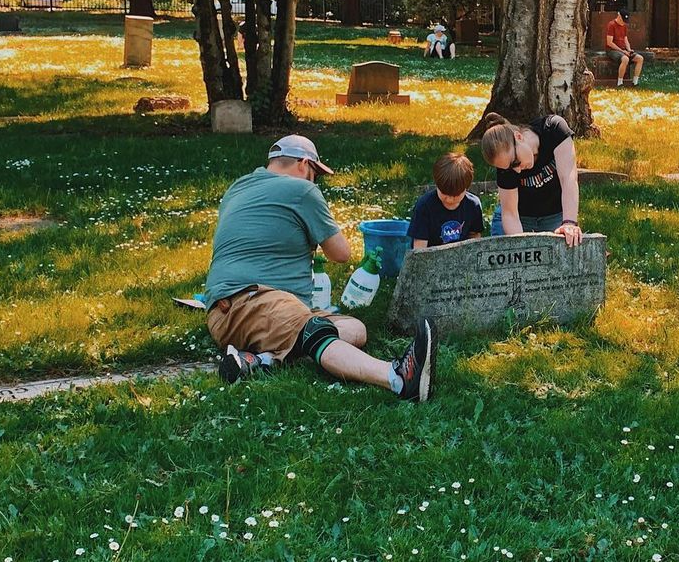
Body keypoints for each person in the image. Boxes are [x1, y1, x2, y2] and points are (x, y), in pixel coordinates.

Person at [204, 134, 436, 402]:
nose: (314, 182)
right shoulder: (302, 190)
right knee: (314, 330)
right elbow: (341, 254)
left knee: (354, 328)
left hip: (225, 312)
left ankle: (260, 360)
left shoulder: (237, 187)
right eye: (315, 175)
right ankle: (398, 378)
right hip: (253, 300)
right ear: (304, 165)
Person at [480, 113, 583, 247]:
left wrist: (569, 223)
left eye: (515, 162)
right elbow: (510, 214)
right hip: (520, 218)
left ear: (518, 137)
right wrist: (522, 246)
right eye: (510, 168)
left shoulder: (553, 129)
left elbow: (568, 178)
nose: (517, 170)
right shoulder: (506, 165)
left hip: (554, 214)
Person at [408, 152, 485, 249]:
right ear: (437, 184)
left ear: (466, 188)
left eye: (456, 195)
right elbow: (419, 248)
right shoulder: (424, 206)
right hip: (431, 256)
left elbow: (475, 236)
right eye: (444, 193)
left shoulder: (473, 205)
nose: (449, 199)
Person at [605, 9, 643, 86]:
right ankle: (620, 82)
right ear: (619, 16)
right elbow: (609, 43)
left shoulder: (624, 26)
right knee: (625, 59)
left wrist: (629, 49)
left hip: (623, 50)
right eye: (623, 20)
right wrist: (623, 51)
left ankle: (635, 82)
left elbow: (625, 39)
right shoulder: (611, 25)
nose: (623, 22)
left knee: (640, 58)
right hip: (612, 50)